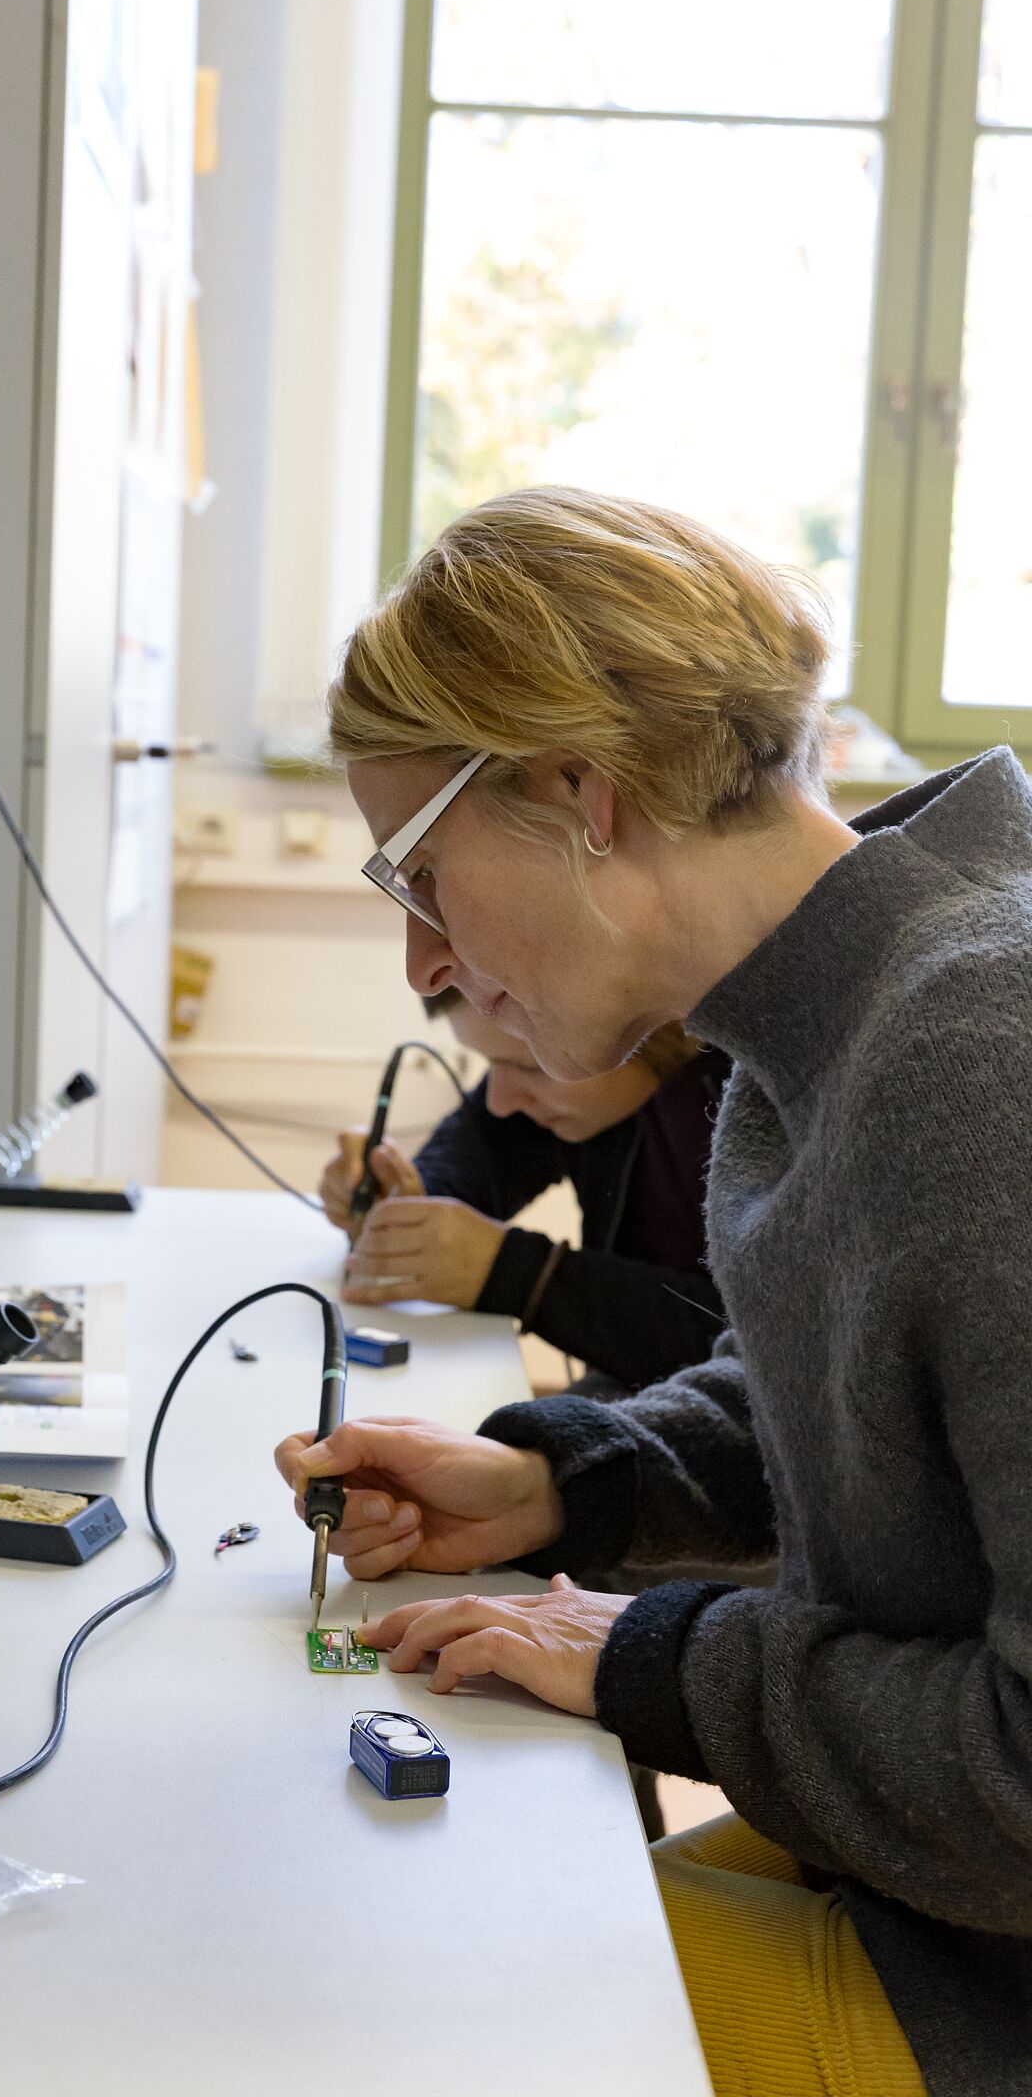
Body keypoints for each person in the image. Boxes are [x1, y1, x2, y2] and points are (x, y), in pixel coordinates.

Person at [275, 486, 1032, 2097]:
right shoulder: (831, 1015)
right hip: (930, 1895)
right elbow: (872, 1387)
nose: (423, 965)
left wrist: (658, 1660)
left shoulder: (983, 1058)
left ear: (577, 789)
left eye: (418, 872)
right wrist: (561, 1478)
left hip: (993, 1970)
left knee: (368, 2014)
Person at [321, 992, 729, 1395]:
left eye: (528, 1067)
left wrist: (516, 1274)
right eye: (493, 1064)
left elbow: (755, 1352)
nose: (499, 1102)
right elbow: (479, 1152)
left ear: (646, 1027)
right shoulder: (572, 1063)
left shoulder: (763, 1104)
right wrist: (393, 1194)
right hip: (635, 1382)